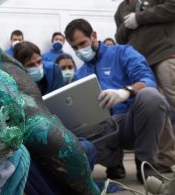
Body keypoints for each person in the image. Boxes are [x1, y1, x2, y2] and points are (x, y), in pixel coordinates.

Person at [64, 18, 169, 184]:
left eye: (82, 43)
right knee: (75, 136)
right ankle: (113, 163)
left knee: (151, 97)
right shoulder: (80, 75)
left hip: (130, 121)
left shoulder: (123, 53)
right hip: (103, 129)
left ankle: (145, 162)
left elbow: (148, 80)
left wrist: (125, 92)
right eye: (74, 48)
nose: (80, 50)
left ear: (93, 35)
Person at [104, 0, 175, 172]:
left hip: (164, 54)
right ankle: (165, 158)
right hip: (142, 64)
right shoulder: (122, 9)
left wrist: (141, 18)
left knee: (172, 99)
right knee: (157, 109)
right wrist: (127, 25)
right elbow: (119, 37)